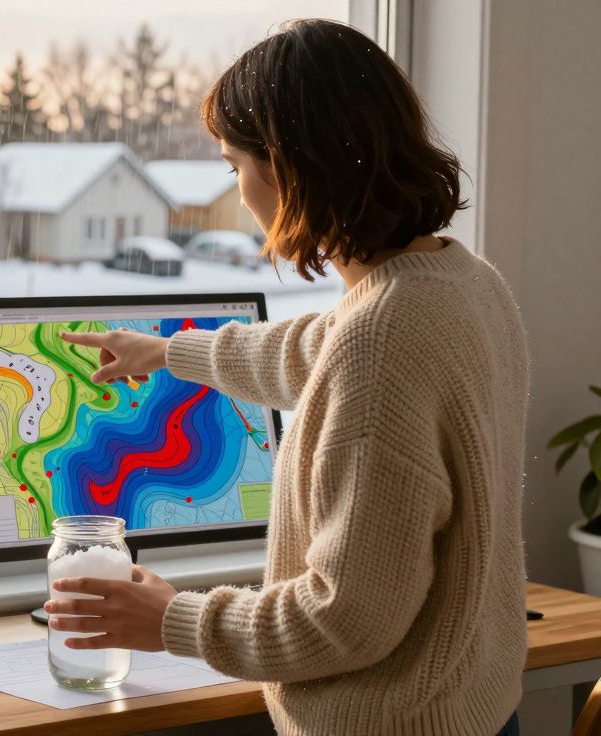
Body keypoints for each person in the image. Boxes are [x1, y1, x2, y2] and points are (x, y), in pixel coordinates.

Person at [49, 19, 527, 736]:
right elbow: (315, 351)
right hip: (473, 709)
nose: (239, 193)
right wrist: (165, 354)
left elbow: (346, 618)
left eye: (234, 164)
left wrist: (170, 619)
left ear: (287, 168)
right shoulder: (463, 284)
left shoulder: (383, 337)